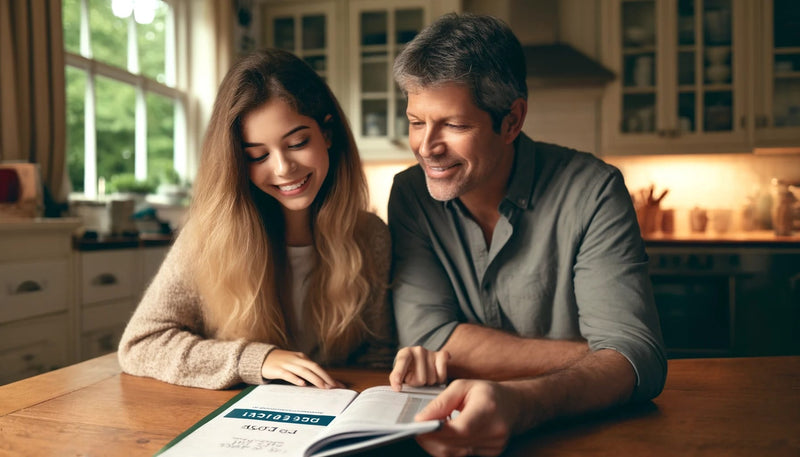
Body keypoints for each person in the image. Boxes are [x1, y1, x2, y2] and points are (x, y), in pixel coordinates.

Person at [386, 13, 667, 457]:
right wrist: (596, 358)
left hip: (589, 439)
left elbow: (638, 360)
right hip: (453, 430)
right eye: (416, 121)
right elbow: (430, 337)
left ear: (512, 121)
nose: (426, 146)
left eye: (454, 125)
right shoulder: (410, 195)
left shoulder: (593, 189)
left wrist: (523, 401)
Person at [118, 48, 394, 390]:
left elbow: (380, 356)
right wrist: (256, 359)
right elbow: (140, 343)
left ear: (327, 133)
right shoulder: (208, 238)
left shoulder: (371, 236)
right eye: (258, 155)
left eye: (297, 143)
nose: (282, 168)